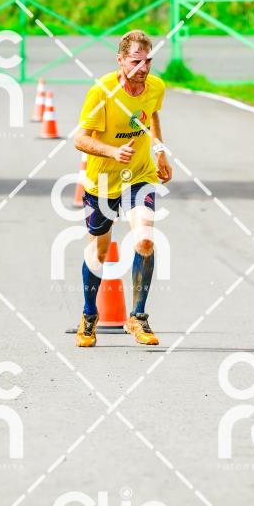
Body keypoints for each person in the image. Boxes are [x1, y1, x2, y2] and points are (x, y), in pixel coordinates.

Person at [73, 29, 172, 348]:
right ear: (120, 60)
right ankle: (89, 315)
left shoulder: (155, 86)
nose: (143, 68)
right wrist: (113, 152)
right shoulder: (101, 91)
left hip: (139, 175)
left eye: (148, 61)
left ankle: (137, 317)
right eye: (135, 61)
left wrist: (159, 151)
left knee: (145, 240)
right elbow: (80, 139)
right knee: (100, 251)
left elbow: (152, 115)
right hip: (102, 181)